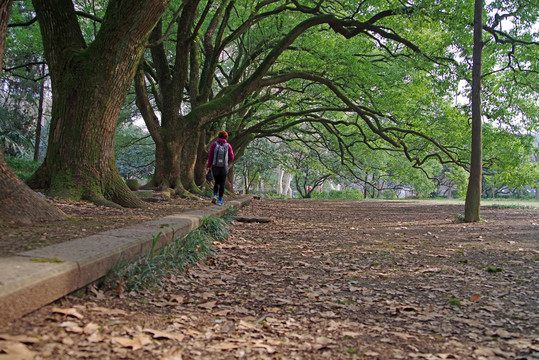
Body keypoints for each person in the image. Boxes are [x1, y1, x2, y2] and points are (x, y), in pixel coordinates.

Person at [207, 131, 234, 205]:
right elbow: (232, 156)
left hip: (215, 166)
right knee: (222, 183)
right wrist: (227, 162)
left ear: (218, 136)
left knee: (216, 182)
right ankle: (220, 201)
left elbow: (210, 156)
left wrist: (208, 166)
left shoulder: (214, 144)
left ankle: (215, 195)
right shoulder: (228, 145)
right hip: (224, 167)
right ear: (226, 137)